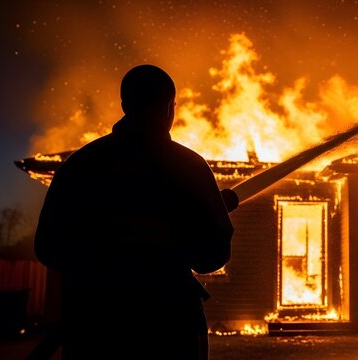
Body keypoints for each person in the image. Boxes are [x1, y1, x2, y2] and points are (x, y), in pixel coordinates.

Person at [34, 64, 237, 359]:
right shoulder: (190, 167)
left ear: (124, 104)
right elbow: (212, 256)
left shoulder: (80, 166)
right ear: (170, 107)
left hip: (95, 329)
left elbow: (48, 248)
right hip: (169, 329)